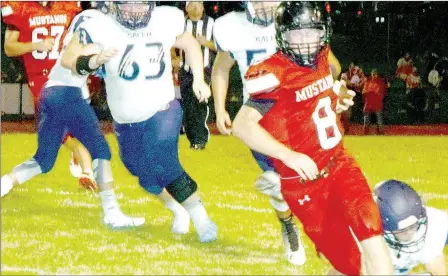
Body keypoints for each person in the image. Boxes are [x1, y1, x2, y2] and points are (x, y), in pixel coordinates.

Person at [232, 2, 393, 275]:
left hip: (340, 164)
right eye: (298, 34)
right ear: (283, 35)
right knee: (350, 265)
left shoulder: (323, 57)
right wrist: (287, 155)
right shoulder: (272, 73)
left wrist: (335, 100)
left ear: (324, 33)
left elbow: (319, 90)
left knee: (372, 235)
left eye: (313, 32)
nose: (307, 41)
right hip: (305, 185)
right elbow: (242, 125)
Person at [61, 2, 218, 243]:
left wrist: (198, 78)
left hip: (162, 108)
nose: (135, 8)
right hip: (126, 121)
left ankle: (202, 219)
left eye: (140, 2)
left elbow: (190, 43)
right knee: (143, 175)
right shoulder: (100, 24)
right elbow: (69, 58)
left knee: (164, 160)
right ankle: (177, 210)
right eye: (129, 2)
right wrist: (91, 62)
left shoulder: (164, 19)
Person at [1, 7, 145, 230]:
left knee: (44, 161)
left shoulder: (81, 19)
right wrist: (96, 60)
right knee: (101, 151)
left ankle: (5, 183)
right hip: (67, 93)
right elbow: (74, 59)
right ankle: (112, 213)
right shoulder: (94, 22)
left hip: (50, 92)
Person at [212, 1, 308, 265]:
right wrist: (220, 108)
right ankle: (288, 222)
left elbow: (328, 62)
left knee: (310, 177)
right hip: (258, 115)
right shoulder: (231, 26)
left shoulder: (297, 17)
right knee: (280, 179)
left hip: (303, 108)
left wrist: (333, 85)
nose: (265, 3)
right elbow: (221, 68)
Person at [2, 1, 94, 190]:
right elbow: (9, 48)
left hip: (69, 75)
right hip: (41, 81)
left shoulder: (69, 6)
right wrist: (36, 44)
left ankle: (84, 166)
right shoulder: (21, 7)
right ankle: (85, 167)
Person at [374, 180, 448, 275]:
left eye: (413, 226)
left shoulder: (434, 222)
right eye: (402, 230)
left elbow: (437, 271)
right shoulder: (367, 233)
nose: (410, 232)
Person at [173, 1, 216, 150]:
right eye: (192, 3)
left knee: (200, 103)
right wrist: (174, 59)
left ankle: (200, 139)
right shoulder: (181, 23)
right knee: (187, 104)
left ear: (203, 6)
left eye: (198, 3)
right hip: (185, 69)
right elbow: (171, 43)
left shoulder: (211, 23)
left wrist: (207, 43)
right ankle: (192, 138)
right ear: (186, 7)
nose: (195, 6)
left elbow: (220, 47)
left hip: (204, 69)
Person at [361, 69, 387, 135]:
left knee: (379, 119)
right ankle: (365, 133)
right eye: (373, 74)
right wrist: (372, 92)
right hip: (368, 103)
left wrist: (370, 92)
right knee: (366, 119)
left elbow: (380, 93)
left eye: (375, 74)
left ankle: (381, 132)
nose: (374, 75)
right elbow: (363, 92)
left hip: (377, 103)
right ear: (371, 74)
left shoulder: (381, 83)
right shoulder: (367, 82)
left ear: (377, 75)